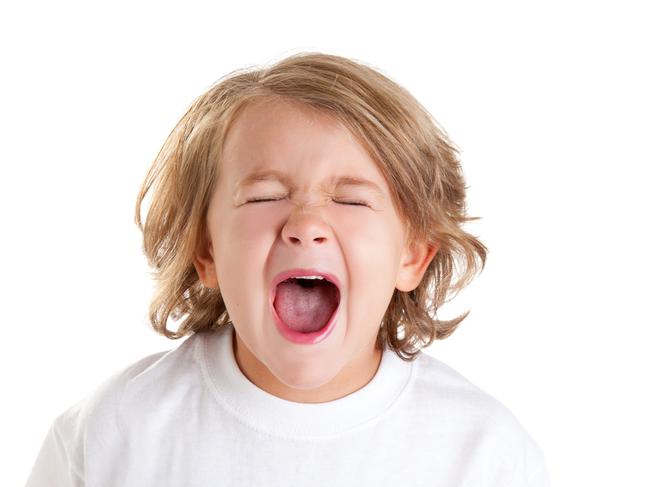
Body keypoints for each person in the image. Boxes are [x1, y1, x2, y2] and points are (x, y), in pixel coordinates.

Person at [26, 51, 550, 486]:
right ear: (206, 251)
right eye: (265, 196)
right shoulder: (113, 435)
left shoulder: (485, 454)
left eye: (350, 200)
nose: (306, 225)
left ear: (411, 256)